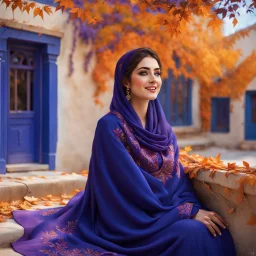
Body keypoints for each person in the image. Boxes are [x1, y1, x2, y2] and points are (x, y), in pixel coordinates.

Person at [11, 48, 236, 256]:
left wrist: (192, 208)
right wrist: (185, 212)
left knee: (214, 229)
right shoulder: (110, 127)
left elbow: (177, 180)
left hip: (162, 212)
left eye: (157, 73)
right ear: (127, 81)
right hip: (128, 219)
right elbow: (128, 188)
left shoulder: (164, 129)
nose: (153, 80)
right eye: (144, 73)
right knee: (192, 233)